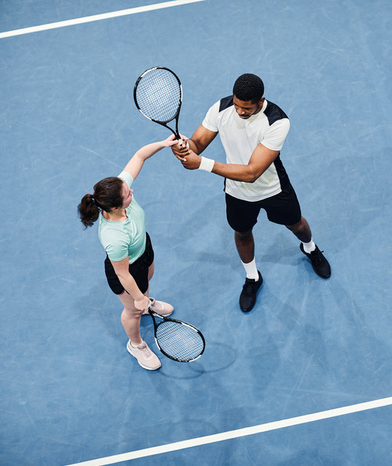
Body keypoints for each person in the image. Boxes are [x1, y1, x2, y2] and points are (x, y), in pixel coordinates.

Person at [172, 73, 330, 313]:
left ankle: (310, 248)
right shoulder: (221, 108)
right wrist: (186, 148)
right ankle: (252, 277)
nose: (240, 112)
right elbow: (198, 143)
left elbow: (252, 172)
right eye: (237, 105)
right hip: (237, 192)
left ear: (260, 101)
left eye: (246, 108)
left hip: (273, 188)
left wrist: (201, 163)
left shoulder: (277, 122)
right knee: (242, 232)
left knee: (297, 224)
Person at [78, 136, 177, 371]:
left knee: (147, 282)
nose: (131, 190)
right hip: (127, 269)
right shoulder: (114, 237)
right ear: (115, 207)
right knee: (132, 310)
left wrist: (163, 144)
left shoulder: (117, 193)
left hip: (143, 248)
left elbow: (139, 156)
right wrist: (139, 299)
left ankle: (147, 300)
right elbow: (122, 275)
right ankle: (136, 344)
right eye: (128, 194)